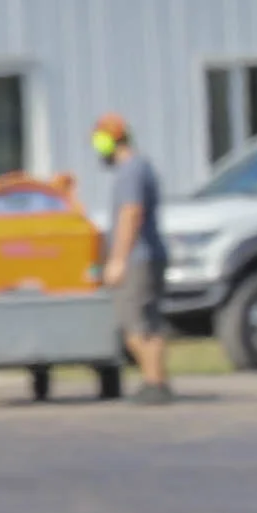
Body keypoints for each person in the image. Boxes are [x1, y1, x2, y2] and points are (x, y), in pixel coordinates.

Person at [93, 114, 171, 405]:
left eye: (99, 142)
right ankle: (158, 381)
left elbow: (131, 213)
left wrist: (117, 260)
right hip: (149, 255)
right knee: (149, 321)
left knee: (135, 325)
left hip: (137, 258)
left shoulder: (130, 172)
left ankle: (154, 382)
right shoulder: (142, 167)